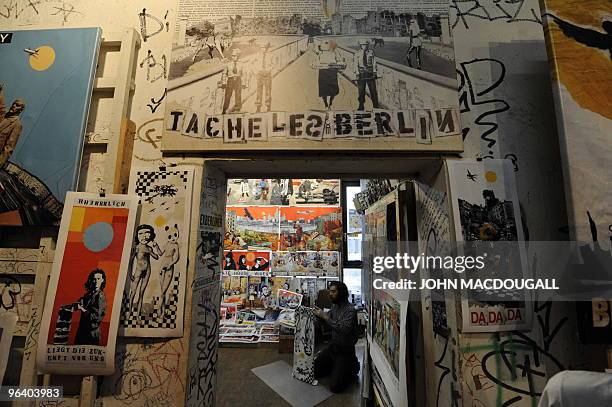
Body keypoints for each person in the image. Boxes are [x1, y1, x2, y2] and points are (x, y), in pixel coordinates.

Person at [313, 281, 360, 393]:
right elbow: (328, 320)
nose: (330, 294)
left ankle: (352, 367)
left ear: (342, 293)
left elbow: (343, 329)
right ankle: (337, 367)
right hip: (334, 348)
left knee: (336, 387)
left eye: (333, 291)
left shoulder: (350, 310)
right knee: (313, 371)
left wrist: (325, 318)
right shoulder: (334, 306)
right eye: (330, 291)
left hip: (346, 351)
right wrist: (318, 317)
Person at [129, 224, 162, 316]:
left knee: (141, 293)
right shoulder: (137, 248)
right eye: (141, 234)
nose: (144, 236)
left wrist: (154, 249)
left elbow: (156, 257)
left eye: (147, 233)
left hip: (147, 271)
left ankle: (137, 316)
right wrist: (130, 274)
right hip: (138, 271)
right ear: (137, 235)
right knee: (133, 293)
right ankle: (129, 313)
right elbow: (131, 262)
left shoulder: (149, 247)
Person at [74, 269, 107, 345]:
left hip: (91, 334)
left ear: (102, 280)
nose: (96, 282)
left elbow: (95, 317)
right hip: (82, 332)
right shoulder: (88, 295)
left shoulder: (100, 296)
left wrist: (82, 309)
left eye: (98, 279)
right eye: (94, 279)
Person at [313, 39, 345, 110]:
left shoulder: (334, 53)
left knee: (333, 89)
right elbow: (315, 63)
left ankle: (330, 103)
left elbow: (340, 61)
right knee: (323, 89)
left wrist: (339, 64)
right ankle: (326, 104)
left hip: (332, 72)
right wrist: (318, 65)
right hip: (323, 72)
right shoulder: (320, 53)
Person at [0, 84, 26, 167]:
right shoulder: (4, 115)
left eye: (17, 105)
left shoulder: (16, 125)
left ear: (21, 110)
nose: (14, 106)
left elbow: (8, 148)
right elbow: (1, 106)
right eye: (14, 104)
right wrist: (1, 91)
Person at [353, 39, 379, 111]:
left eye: (366, 45)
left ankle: (375, 106)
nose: (364, 46)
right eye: (363, 45)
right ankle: (361, 105)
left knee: (373, 90)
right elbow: (355, 64)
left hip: (370, 74)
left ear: (368, 45)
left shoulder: (371, 52)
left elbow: (374, 63)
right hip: (361, 74)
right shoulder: (357, 53)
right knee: (361, 91)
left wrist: (374, 72)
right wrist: (357, 73)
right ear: (360, 45)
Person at [222, 49, 244, 114]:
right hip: (230, 80)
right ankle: (225, 109)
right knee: (228, 95)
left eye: (235, 56)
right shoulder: (228, 64)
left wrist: (244, 83)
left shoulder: (241, 64)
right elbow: (224, 73)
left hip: (238, 79)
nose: (234, 57)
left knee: (238, 94)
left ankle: (237, 109)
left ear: (238, 56)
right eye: (232, 56)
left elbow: (244, 73)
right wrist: (224, 82)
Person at [255, 42, 272, 113]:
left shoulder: (270, 55)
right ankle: (258, 107)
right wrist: (256, 71)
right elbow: (252, 63)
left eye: (265, 47)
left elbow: (273, 64)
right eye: (262, 47)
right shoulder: (257, 55)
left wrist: (268, 70)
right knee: (259, 92)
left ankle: (268, 106)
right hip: (260, 75)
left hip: (267, 75)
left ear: (267, 48)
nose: (263, 49)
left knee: (268, 91)